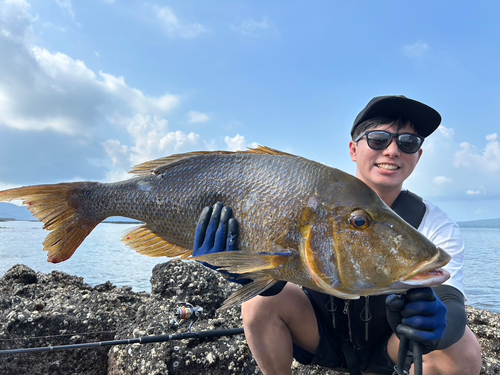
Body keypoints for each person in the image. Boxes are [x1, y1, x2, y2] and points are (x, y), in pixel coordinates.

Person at [192, 95, 482, 375]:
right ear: (354, 150)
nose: (392, 150)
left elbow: (451, 301)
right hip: (320, 337)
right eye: (378, 139)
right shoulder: (314, 199)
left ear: (417, 157)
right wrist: (248, 272)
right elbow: (275, 273)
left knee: (464, 348)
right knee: (257, 303)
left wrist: (442, 325)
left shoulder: (436, 225)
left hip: (391, 350)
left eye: (408, 142)